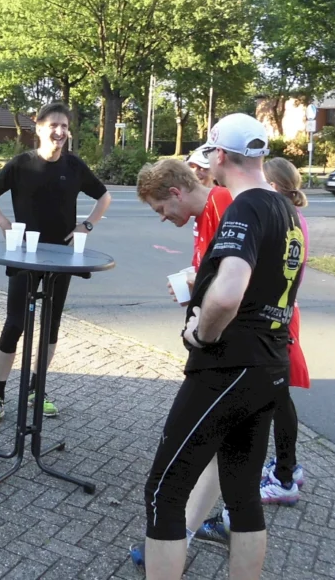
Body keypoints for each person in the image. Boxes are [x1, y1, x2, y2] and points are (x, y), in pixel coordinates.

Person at [140, 113, 305, 580]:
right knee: (242, 493)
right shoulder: (284, 209)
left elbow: (230, 292)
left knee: (164, 491)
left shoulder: (245, 208)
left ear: (219, 156)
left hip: (228, 366)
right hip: (270, 365)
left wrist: (202, 334)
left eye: (208, 155)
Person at [0, 102, 111, 426]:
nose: (60, 131)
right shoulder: (22, 164)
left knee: (50, 328)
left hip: (62, 261)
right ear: (38, 128)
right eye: (54, 125)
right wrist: (5, 225)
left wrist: (87, 225)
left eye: (65, 126)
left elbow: (104, 196)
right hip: (24, 257)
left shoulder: (74, 166)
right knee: (15, 325)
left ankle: (38, 390)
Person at [129, 158, 233, 567]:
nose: (162, 218)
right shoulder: (206, 215)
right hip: (230, 353)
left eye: (160, 209)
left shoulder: (225, 206)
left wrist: (202, 332)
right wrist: (195, 281)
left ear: (175, 192)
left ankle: (168, 548)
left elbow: (235, 285)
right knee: (225, 453)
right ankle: (192, 532)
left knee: (178, 457)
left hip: (226, 354)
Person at [257, 157, 310, 505]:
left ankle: (285, 476)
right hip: (285, 311)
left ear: (273, 187)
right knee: (277, 397)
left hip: (277, 314)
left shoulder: (283, 220)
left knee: (276, 396)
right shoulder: (294, 216)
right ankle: (286, 466)